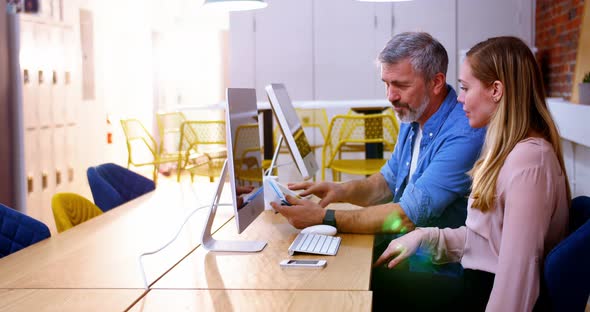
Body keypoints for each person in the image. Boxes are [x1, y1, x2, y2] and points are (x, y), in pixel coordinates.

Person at [373, 36, 571, 311]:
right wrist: (425, 237)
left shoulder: (530, 161)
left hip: (485, 297)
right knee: (375, 278)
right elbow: (488, 242)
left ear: (496, 90)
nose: (460, 98)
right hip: (475, 284)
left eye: (466, 88)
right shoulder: (508, 151)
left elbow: (518, 277)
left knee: (374, 286)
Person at [271, 32, 485, 237]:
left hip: (434, 267)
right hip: (404, 249)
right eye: (386, 83)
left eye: (401, 85)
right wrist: (341, 190)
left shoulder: (464, 134)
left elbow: (405, 216)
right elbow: (385, 184)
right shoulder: (413, 115)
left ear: (436, 82)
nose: (390, 96)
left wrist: (322, 217)